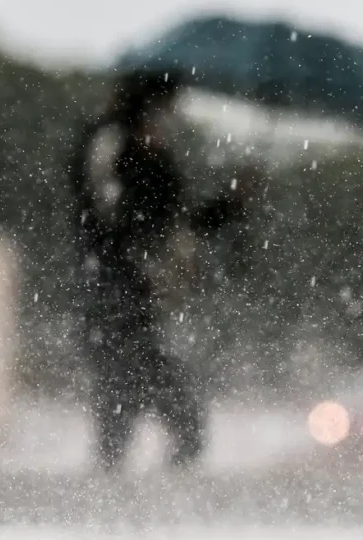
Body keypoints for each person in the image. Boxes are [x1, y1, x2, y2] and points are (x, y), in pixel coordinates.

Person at [69, 72, 260, 471]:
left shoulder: (154, 154)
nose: (171, 119)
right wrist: (140, 162)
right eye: (165, 109)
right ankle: (114, 507)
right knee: (131, 407)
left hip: (137, 303)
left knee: (152, 412)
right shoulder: (109, 142)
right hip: (108, 298)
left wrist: (231, 203)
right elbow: (109, 216)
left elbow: (176, 224)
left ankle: (134, 500)